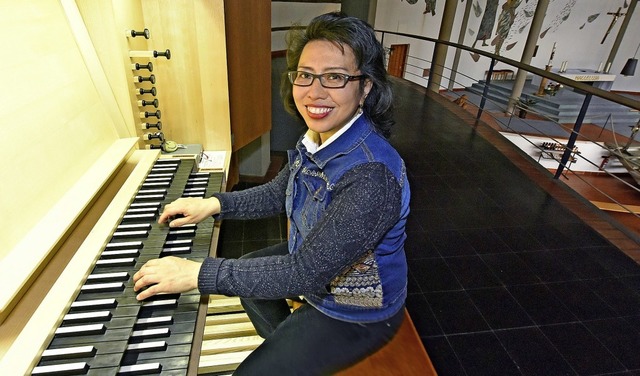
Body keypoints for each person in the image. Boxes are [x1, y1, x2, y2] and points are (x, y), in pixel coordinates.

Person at [133, 11, 410, 375]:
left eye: (335, 77)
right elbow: (282, 190)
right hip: (315, 266)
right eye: (306, 75)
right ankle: (292, 351)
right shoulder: (318, 137)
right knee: (251, 278)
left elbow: (303, 273)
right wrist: (214, 204)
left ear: (366, 87)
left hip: (355, 309)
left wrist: (197, 273)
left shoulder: (370, 176)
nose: (314, 92)